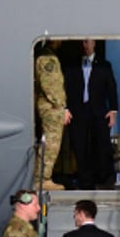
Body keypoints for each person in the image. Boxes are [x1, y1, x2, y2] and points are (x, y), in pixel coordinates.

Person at [64, 38, 119, 189]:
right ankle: (85, 182)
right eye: (83, 42)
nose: (86, 45)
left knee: (102, 146)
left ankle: (105, 180)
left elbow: (111, 88)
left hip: (98, 111)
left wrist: (113, 109)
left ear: (94, 43)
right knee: (80, 147)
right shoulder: (71, 66)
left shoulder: (104, 65)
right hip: (77, 111)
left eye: (88, 42)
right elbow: (65, 88)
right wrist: (65, 108)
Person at [34, 40, 69, 191]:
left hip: (48, 105)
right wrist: (61, 106)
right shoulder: (48, 58)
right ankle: (42, 179)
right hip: (51, 107)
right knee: (51, 144)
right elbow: (51, 85)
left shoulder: (44, 56)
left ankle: (42, 177)